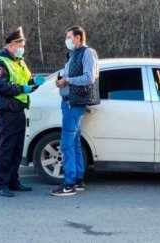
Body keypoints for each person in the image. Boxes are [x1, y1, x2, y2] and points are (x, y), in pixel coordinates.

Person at [0, 27, 46, 197]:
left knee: (17, 148)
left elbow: (26, 79)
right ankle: (2, 184)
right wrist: (23, 88)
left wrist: (35, 81)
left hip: (19, 110)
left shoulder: (18, 60)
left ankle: (13, 180)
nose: (22, 47)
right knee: (6, 148)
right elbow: (0, 86)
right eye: (20, 44)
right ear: (11, 45)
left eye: (23, 44)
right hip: (7, 110)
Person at [51, 26, 99, 196]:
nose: (67, 39)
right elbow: (66, 74)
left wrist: (67, 81)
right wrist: (60, 80)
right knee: (75, 142)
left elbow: (89, 77)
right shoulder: (74, 55)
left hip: (74, 103)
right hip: (69, 102)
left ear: (78, 38)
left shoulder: (87, 53)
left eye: (69, 36)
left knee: (66, 144)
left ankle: (68, 183)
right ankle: (78, 180)